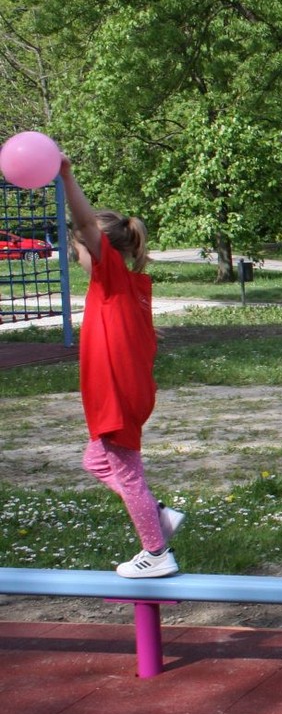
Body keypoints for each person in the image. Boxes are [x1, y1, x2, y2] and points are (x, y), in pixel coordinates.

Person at [59, 155, 184, 579]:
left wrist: (66, 175)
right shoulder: (134, 288)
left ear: (97, 249)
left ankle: (157, 551)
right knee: (95, 462)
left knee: (128, 474)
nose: (76, 255)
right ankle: (159, 514)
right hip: (128, 393)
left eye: (77, 248)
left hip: (116, 397)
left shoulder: (109, 277)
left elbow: (87, 225)